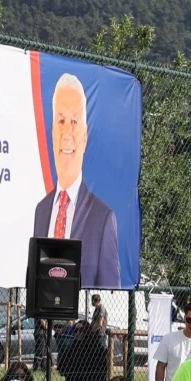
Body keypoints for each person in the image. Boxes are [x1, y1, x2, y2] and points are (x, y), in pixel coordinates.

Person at [31, 74, 121, 289]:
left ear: (85, 136)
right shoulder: (41, 210)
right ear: (52, 132)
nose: (67, 133)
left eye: (74, 121)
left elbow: (111, 294)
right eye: (61, 121)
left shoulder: (102, 218)